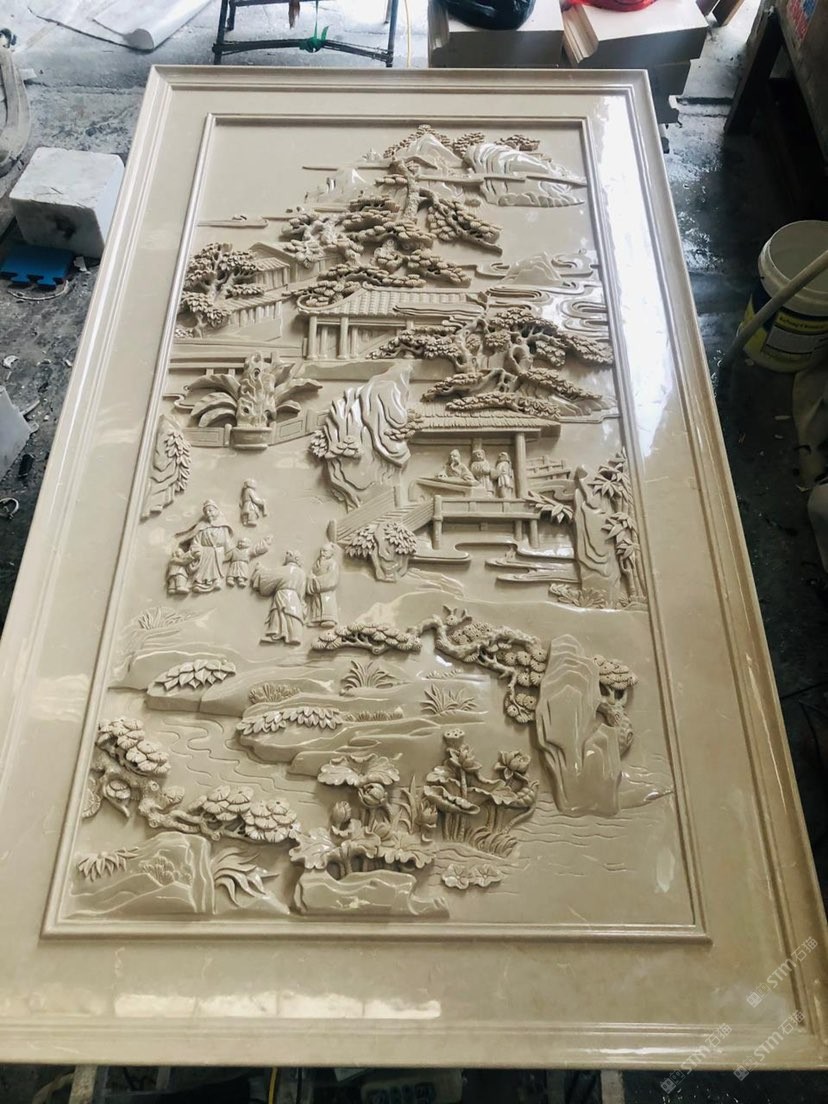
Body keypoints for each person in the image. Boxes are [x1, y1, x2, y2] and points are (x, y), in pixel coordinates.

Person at [175, 500, 234, 593]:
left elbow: (227, 541)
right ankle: (199, 583)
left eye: (210, 510)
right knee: (202, 563)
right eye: (206, 512)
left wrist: (230, 551)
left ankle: (215, 580)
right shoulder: (201, 526)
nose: (208, 513)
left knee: (216, 556)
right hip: (204, 552)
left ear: (217, 511)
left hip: (218, 551)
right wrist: (196, 549)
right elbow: (196, 541)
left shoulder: (223, 526)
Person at [255, 550, 307, 645]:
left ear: (293, 557)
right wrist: (302, 602)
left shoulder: (285, 569)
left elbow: (270, 576)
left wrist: (260, 570)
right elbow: (302, 590)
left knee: (278, 613)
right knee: (293, 614)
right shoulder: (302, 573)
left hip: (283, 594)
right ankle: (295, 636)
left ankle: (276, 634)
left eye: (289, 554)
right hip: (295, 597)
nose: (286, 556)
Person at [307, 543, 339, 626]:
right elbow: (311, 573)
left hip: (327, 590)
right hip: (316, 588)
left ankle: (329, 619)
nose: (322, 553)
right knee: (316, 603)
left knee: (327, 601)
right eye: (321, 551)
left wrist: (316, 580)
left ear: (331, 553)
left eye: (325, 551)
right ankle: (316, 619)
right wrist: (311, 578)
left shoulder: (332, 563)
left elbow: (332, 577)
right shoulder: (316, 563)